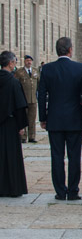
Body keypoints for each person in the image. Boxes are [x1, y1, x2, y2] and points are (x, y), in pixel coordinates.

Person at [38, 37, 82, 200]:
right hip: (74, 118)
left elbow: (42, 96)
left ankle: (60, 191)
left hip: (55, 118)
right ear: (70, 50)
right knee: (74, 157)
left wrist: (43, 118)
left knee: (57, 156)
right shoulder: (79, 68)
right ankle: (73, 190)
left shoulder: (47, 69)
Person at [0, 51, 28, 197]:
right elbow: (19, 106)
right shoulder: (13, 82)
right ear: (10, 63)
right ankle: (12, 188)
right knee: (11, 156)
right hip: (10, 123)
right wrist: (21, 125)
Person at [15, 54, 39, 143]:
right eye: (27, 60)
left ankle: (32, 136)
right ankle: (23, 137)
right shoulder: (19, 72)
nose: (29, 62)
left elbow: (39, 84)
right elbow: (16, 85)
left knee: (32, 119)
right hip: (23, 99)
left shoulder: (35, 71)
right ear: (24, 61)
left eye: (30, 61)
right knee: (23, 118)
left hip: (33, 99)